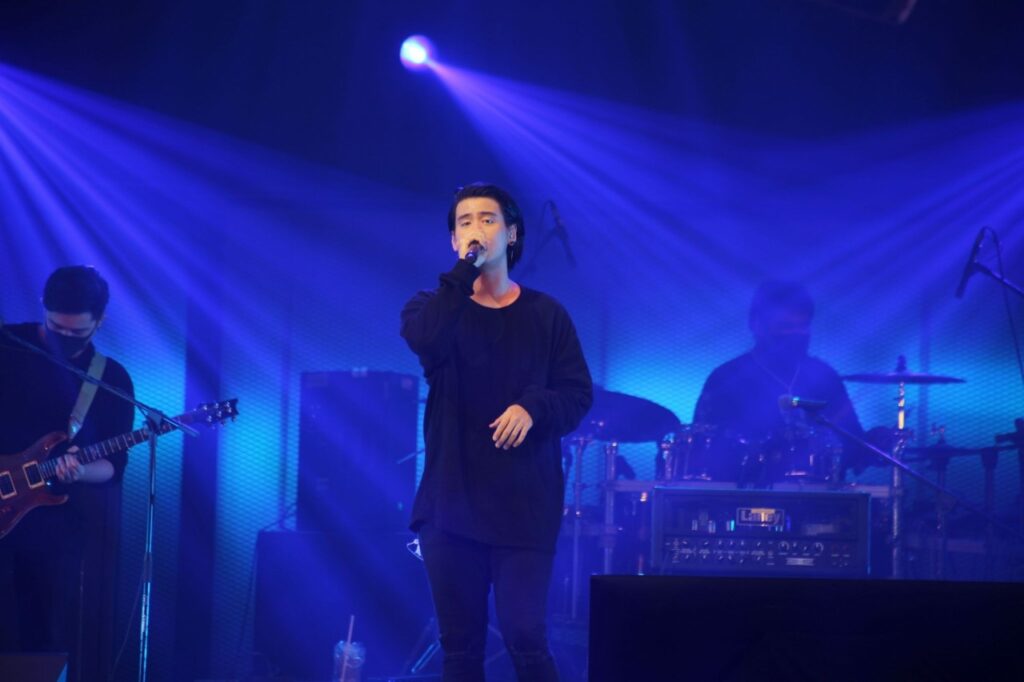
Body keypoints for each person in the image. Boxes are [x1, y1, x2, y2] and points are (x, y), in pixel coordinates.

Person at [401, 183, 593, 682]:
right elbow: (424, 340)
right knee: (460, 648)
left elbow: (578, 395)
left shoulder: (547, 315)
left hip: (524, 506)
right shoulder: (432, 309)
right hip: (450, 504)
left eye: (487, 220)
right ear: (453, 241)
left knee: (526, 636)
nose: (475, 230)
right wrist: (464, 273)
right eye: (464, 222)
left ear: (511, 234)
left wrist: (533, 407)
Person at [0, 265, 134, 682]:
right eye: (56, 328)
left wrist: (79, 471)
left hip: (51, 527)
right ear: (44, 308)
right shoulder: (7, 345)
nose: (65, 338)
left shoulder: (110, 378)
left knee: (40, 635)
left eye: (77, 333)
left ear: (100, 321)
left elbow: (113, 466)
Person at [692, 280, 868, 485]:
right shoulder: (726, 378)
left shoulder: (825, 377)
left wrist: (875, 444)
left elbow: (851, 441)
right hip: (743, 494)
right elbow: (702, 448)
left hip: (816, 496)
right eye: (785, 327)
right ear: (756, 325)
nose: (795, 335)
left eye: (802, 327)